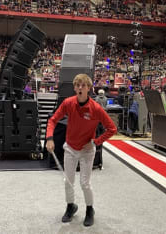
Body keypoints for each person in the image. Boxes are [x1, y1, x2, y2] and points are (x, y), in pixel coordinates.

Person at [46, 74, 117, 227]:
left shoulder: (96, 108)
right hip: (70, 147)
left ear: (89, 88)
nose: (80, 87)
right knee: (68, 181)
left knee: (85, 183)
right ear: (74, 88)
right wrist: (49, 138)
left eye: (83, 85)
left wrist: (95, 142)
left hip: (87, 150)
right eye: (77, 85)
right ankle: (70, 206)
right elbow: (52, 120)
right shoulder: (68, 103)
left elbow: (112, 128)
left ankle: (90, 210)